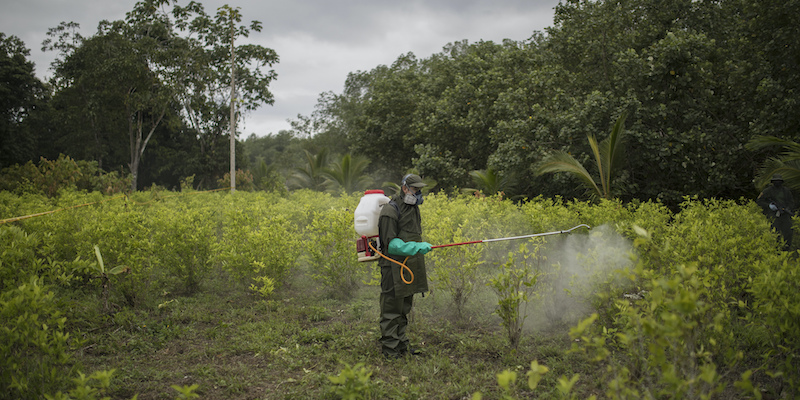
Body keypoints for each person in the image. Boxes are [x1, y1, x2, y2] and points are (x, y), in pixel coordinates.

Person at [377, 174, 432, 358]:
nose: (418, 193)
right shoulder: (389, 211)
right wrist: (415, 247)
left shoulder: (413, 208)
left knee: (404, 308)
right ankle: (390, 351)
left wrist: (417, 248)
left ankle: (401, 345)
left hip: (409, 266)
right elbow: (391, 244)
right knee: (392, 309)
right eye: (415, 189)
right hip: (392, 267)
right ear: (404, 188)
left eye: (419, 189)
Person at [756, 174, 795, 251]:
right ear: (773, 182)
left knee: (788, 232)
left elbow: (791, 202)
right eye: (776, 181)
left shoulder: (786, 191)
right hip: (773, 214)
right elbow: (759, 201)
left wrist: (787, 208)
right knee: (775, 233)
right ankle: (775, 250)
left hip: (785, 215)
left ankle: (786, 249)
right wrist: (769, 206)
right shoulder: (767, 191)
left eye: (779, 181)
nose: (777, 182)